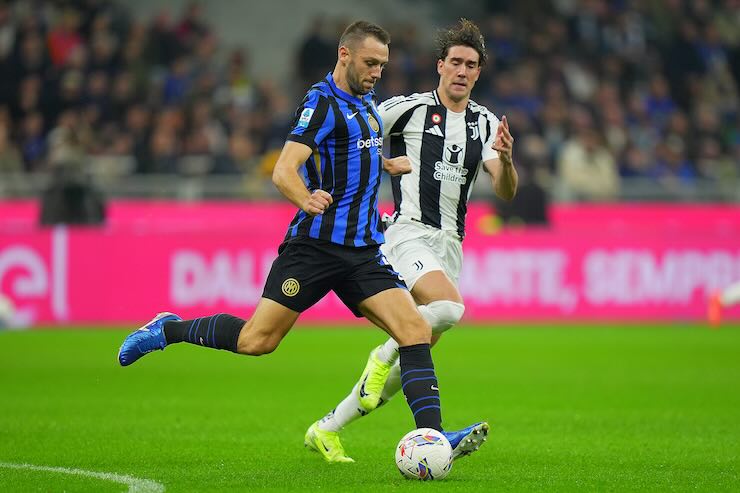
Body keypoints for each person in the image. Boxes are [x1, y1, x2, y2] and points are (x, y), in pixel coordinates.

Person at [117, 20, 487, 462]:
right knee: (258, 341)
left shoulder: (369, 103)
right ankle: (168, 328)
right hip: (315, 247)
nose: (377, 73)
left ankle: (433, 437)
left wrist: (385, 166)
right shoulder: (321, 102)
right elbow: (283, 169)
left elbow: (358, 151)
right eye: (370, 63)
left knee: (414, 330)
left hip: (364, 250)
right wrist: (305, 198)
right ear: (344, 55)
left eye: (383, 66)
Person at [306, 18, 518, 463]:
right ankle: (420, 415)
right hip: (406, 233)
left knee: (415, 346)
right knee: (449, 308)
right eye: (455, 62)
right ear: (440, 65)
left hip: (450, 245)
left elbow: (505, 189)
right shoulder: (407, 109)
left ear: (479, 73)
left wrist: (509, 161)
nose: (462, 70)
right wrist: (380, 165)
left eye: (471, 65)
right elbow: (354, 138)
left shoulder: (484, 123)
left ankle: (327, 427)